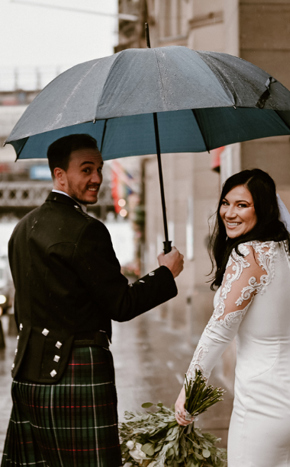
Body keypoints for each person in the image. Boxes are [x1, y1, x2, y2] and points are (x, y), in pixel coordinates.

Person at [2, 134, 184, 465]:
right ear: (60, 175)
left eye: (99, 169)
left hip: (28, 377)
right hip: (77, 371)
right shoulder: (87, 230)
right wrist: (165, 273)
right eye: (86, 169)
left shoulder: (22, 230)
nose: (97, 178)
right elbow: (121, 305)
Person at [174, 169, 290, 465]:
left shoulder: (248, 256)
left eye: (242, 205)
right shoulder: (288, 252)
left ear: (263, 209)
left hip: (267, 406)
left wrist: (189, 391)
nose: (229, 213)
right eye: (226, 202)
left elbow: (218, 332)